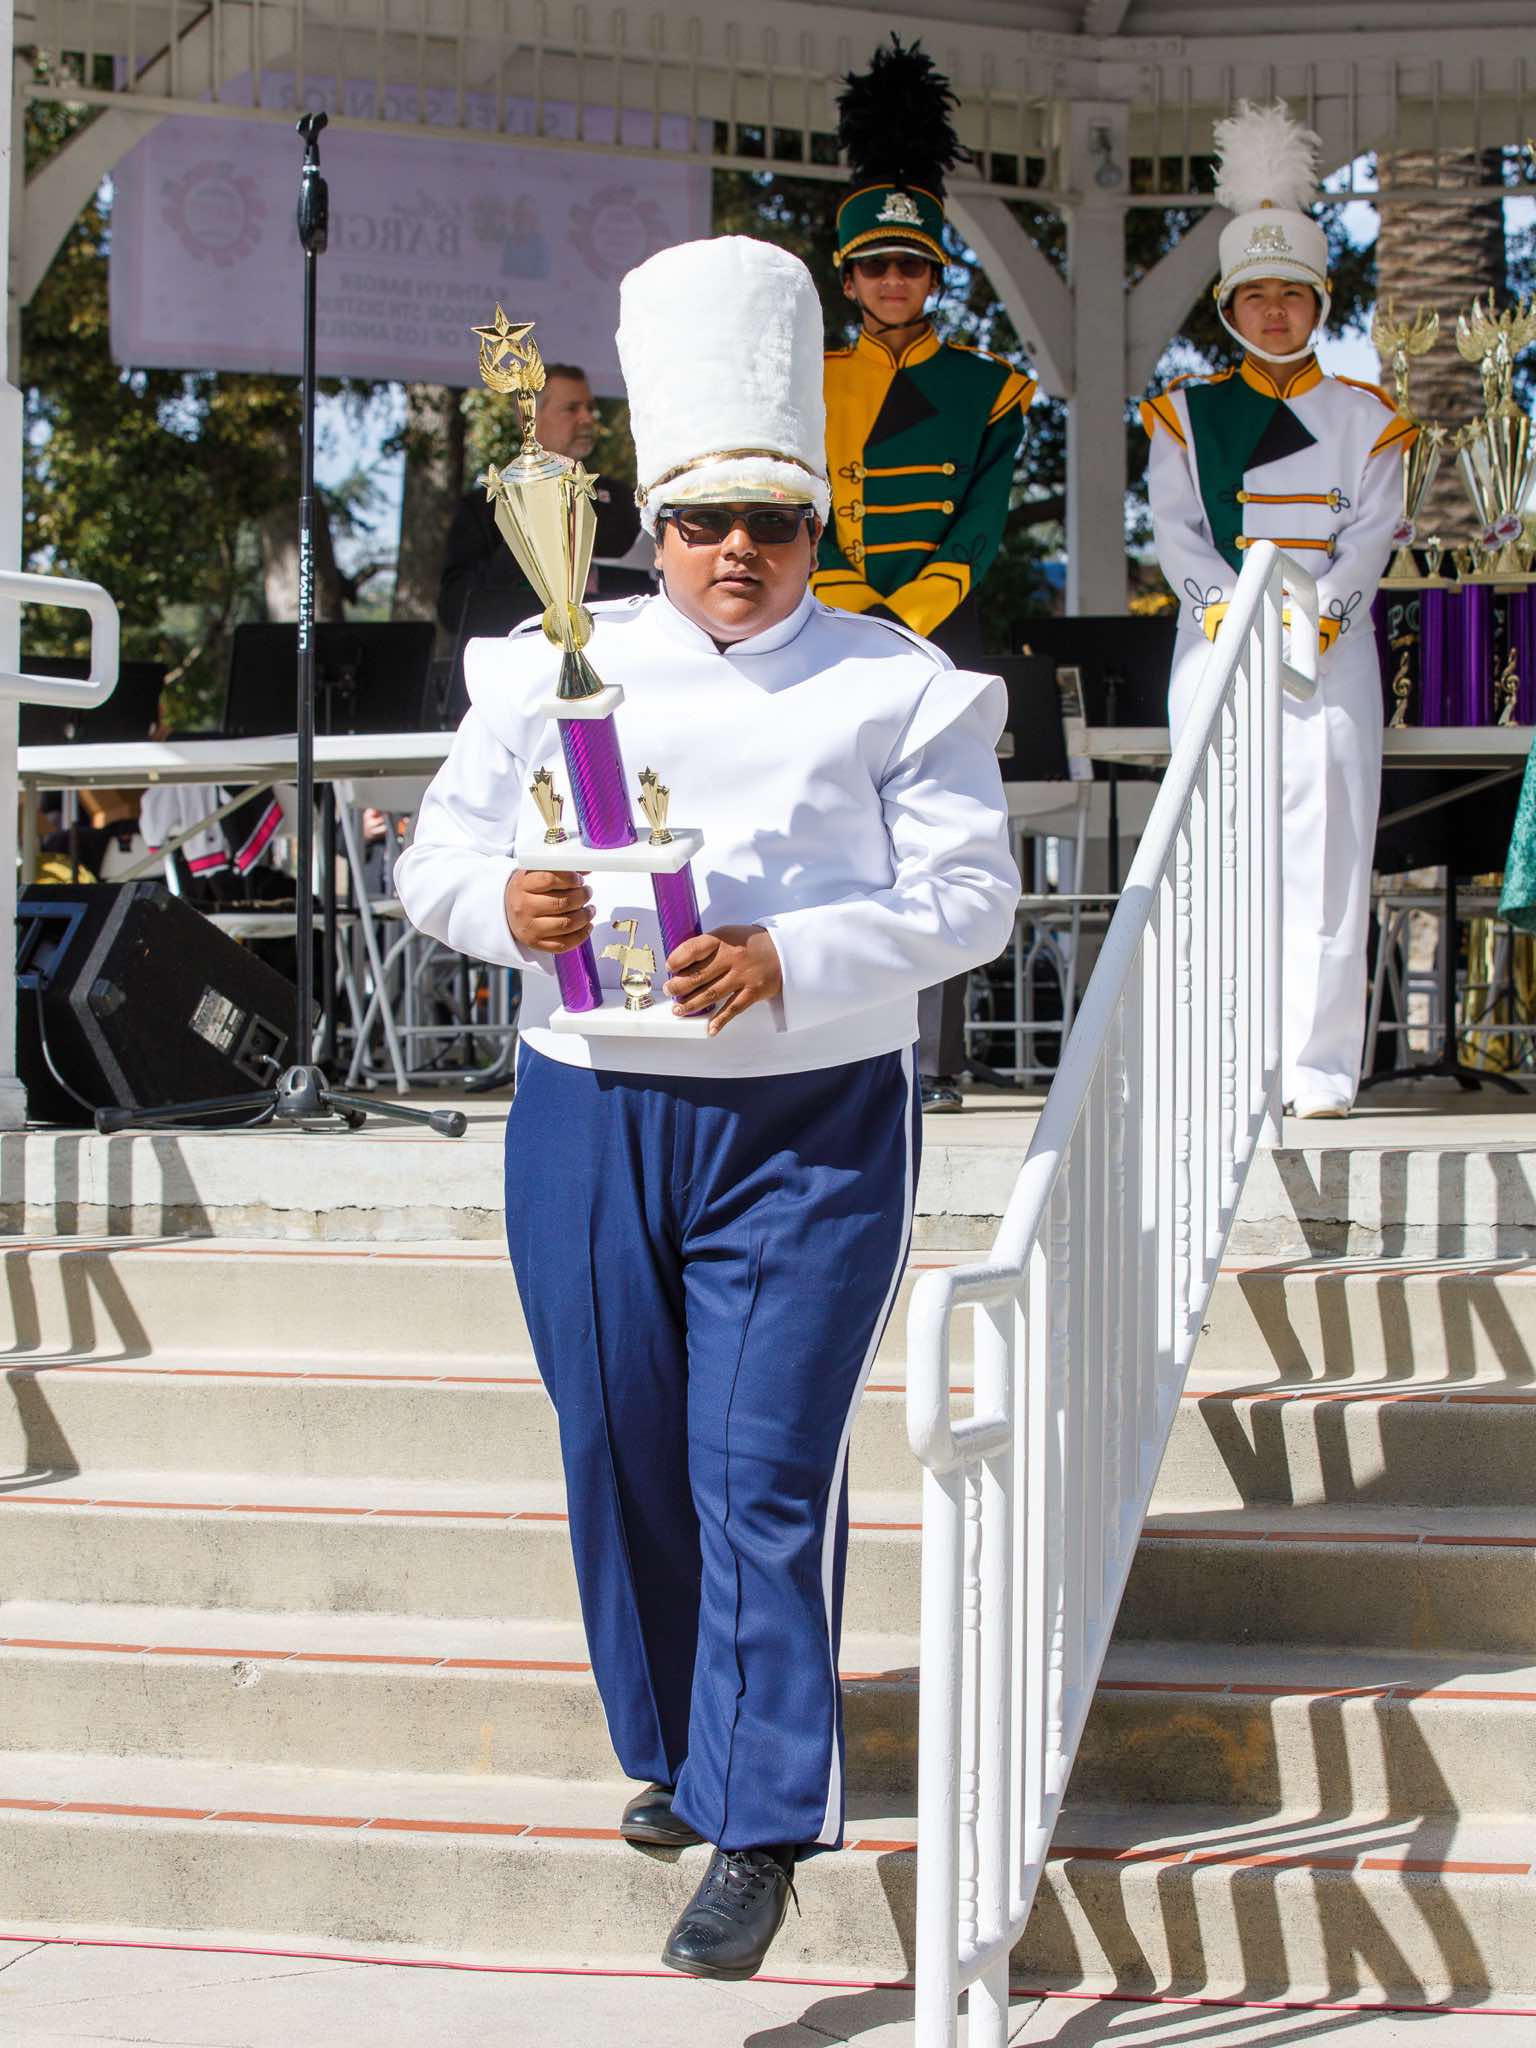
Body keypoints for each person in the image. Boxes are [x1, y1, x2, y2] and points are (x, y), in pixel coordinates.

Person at [395, 235, 1018, 1981]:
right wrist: (501, 904)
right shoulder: (546, 660)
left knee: (761, 1469)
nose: (737, 550)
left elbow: (973, 901)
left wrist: (791, 957)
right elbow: (437, 858)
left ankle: (760, 1825)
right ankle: (679, 1749)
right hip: (590, 1109)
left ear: (817, 525)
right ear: (650, 527)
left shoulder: (897, 679)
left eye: (773, 520)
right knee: (617, 1444)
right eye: (700, 520)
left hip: (808, 1121)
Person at [1141, 100, 1414, 1119]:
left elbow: (1371, 536)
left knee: (1332, 854)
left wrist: (1320, 618)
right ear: (1227, 306)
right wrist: (1231, 614)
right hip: (1219, 644)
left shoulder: (1367, 418)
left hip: (1331, 652)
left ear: (1319, 303)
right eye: (1254, 295)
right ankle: (1224, 1061)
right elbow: (1178, 534)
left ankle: (1317, 1066)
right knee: (1219, 849)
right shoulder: (1182, 413)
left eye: (1291, 294)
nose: (1272, 312)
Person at [814, 36, 1035, 1114]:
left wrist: (912, 616)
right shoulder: (808, 378)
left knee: (946, 838)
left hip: (943, 629)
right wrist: (855, 606)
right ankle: (843, 1041)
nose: (893, 282)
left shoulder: (993, 389)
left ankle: (936, 1060)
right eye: (875, 267)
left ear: (935, 276)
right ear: (848, 277)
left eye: (910, 266)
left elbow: (981, 522)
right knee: (835, 825)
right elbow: (799, 503)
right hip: (829, 625)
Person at [435, 360, 644, 638]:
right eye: (572, 408)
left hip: (612, 647)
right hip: (523, 652)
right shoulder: (485, 506)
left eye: (589, 408)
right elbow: (454, 610)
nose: (587, 419)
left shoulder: (620, 500)